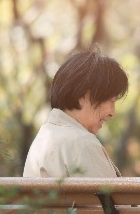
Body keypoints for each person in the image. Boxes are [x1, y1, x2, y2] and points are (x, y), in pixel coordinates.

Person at [23, 47, 128, 178]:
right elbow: (108, 198)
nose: (113, 113)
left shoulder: (44, 138)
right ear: (84, 95)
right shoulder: (82, 143)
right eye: (111, 100)